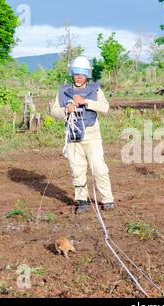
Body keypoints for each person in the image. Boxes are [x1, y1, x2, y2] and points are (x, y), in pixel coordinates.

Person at [51, 56, 114, 214]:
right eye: (76, 73)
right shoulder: (63, 91)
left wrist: (86, 102)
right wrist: (66, 110)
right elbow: (53, 111)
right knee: (77, 170)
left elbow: (105, 108)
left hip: (92, 135)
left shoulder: (96, 90)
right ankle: (82, 201)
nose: (79, 77)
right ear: (72, 74)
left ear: (87, 75)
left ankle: (107, 199)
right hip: (73, 136)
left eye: (82, 74)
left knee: (99, 168)